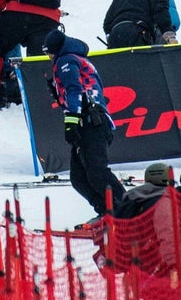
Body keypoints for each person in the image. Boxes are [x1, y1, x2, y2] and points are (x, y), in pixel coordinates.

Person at [42, 28, 125, 219]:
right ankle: (106, 212)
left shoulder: (66, 60)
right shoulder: (76, 59)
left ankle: (125, 211)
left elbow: (74, 90)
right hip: (89, 121)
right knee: (79, 178)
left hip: (90, 121)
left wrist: (70, 122)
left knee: (96, 172)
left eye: (48, 53)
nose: (48, 57)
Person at [103, 0, 178, 48]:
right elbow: (160, 10)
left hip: (115, 35)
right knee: (143, 60)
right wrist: (169, 34)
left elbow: (107, 22)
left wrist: (111, 37)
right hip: (137, 32)